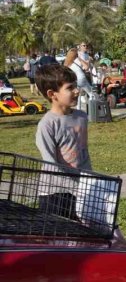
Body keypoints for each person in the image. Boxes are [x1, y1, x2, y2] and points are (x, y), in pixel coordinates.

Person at [34, 64, 91, 219]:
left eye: (76, 86)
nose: (77, 91)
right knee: (56, 239)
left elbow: (83, 151)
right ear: (53, 94)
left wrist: (88, 179)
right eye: (70, 88)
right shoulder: (47, 125)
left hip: (81, 191)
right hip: (55, 193)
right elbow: (50, 162)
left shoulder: (81, 117)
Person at [64, 48, 93, 113]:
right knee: (91, 93)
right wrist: (87, 61)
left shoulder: (67, 62)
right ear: (76, 54)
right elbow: (86, 67)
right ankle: (92, 108)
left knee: (78, 95)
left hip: (75, 80)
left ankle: (78, 110)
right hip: (81, 78)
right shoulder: (77, 60)